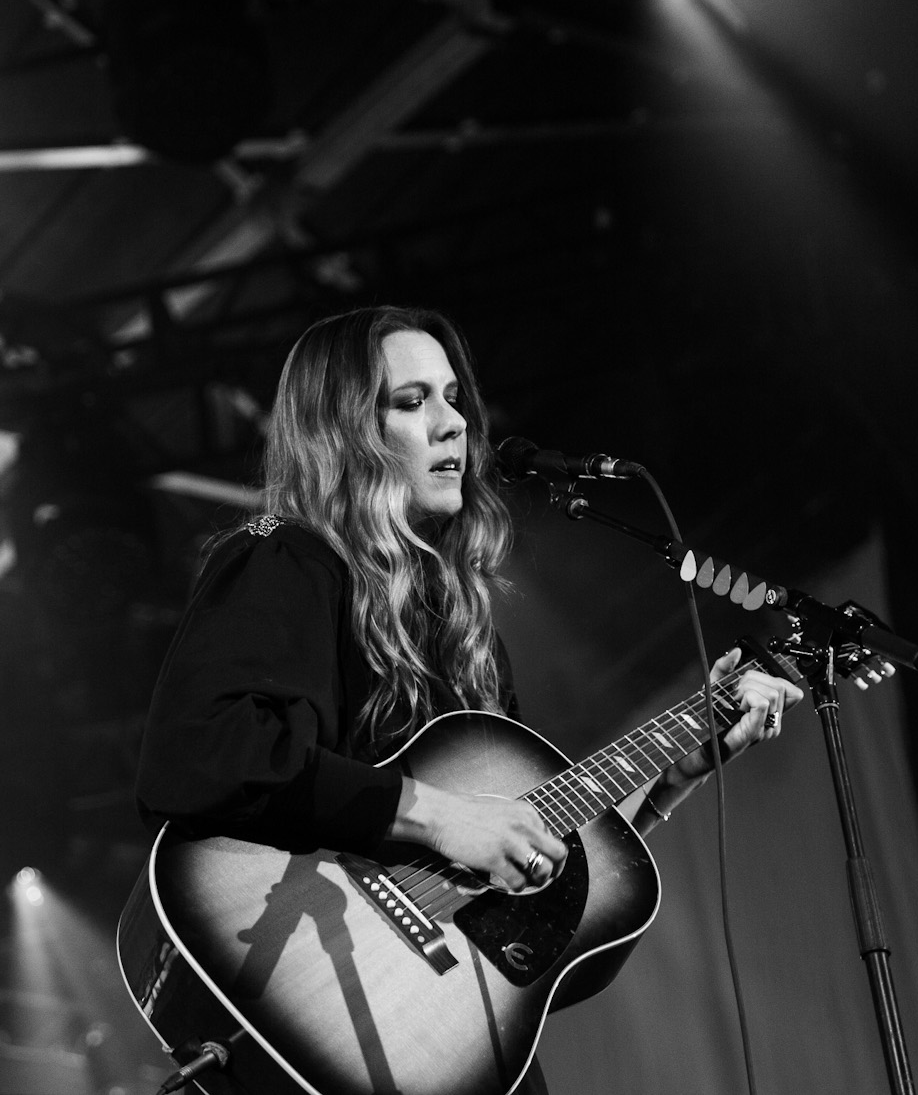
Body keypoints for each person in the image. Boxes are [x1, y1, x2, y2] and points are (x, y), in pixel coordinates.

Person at [137, 303, 803, 897]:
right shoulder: (286, 555)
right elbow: (203, 752)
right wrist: (439, 816)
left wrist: (675, 774)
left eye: (454, 398)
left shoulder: (462, 631)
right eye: (411, 401)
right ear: (341, 432)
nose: (454, 423)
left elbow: (533, 856)